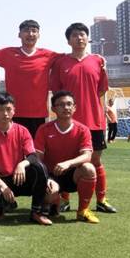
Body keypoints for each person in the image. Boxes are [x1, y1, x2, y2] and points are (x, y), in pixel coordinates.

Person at [50, 22, 117, 213]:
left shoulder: (98, 61)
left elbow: (101, 90)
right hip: (67, 123)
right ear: (68, 40)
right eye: (74, 35)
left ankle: (101, 200)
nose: (79, 38)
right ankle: (64, 200)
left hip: (94, 121)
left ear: (87, 38)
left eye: (82, 34)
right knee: (65, 160)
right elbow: (56, 92)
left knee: (95, 161)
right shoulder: (60, 63)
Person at [0, 92, 52, 225]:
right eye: (1, 110)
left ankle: (36, 212)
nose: (5, 114)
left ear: (14, 111)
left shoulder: (22, 131)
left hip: (19, 177)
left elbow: (32, 156)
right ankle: (2, 206)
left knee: (40, 168)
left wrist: (22, 164)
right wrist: (2, 186)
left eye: (8, 109)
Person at [35, 91, 99, 223]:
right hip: (52, 175)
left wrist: (68, 163)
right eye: (61, 105)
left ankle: (83, 211)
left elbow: (87, 155)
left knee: (89, 169)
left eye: (69, 104)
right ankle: (55, 201)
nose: (66, 107)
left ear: (74, 107)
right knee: (50, 195)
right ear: (53, 109)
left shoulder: (83, 129)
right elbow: (38, 158)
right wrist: (45, 179)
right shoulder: (44, 129)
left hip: (73, 175)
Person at [0, 20, 60, 138]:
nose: (30, 34)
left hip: (38, 115)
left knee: (35, 148)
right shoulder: (8, 53)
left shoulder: (48, 55)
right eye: (26, 31)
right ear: (19, 34)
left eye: (34, 31)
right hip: (12, 113)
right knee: (13, 146)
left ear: (38, 35)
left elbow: (68, 59)